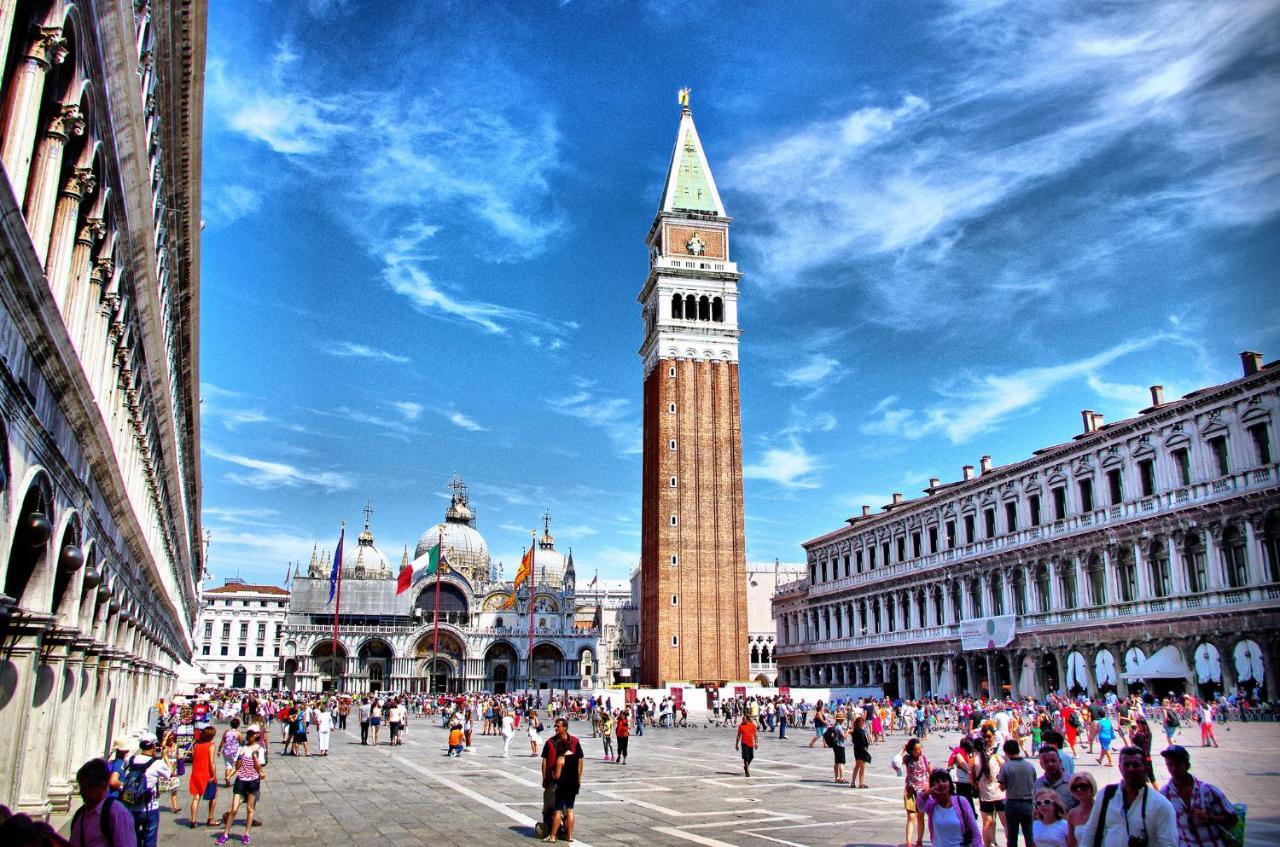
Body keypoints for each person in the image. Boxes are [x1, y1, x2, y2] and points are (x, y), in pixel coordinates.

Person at [1075, 746, 1177, 847]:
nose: (1131, 769)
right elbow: (1090, 832)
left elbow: (1168, 843)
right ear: (1120, 767)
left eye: (1136, 765)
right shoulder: (1106, 795)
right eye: (1126, 765)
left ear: (1146, 768)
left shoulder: (1161, 805)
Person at [1158, 745, 1238, 847]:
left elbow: (1233, 819)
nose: (1173, 769)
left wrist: (1209, 818)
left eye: (1178, 764)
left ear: (1186, 765)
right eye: (1169, 765)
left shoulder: (1208, 790)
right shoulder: (1164, 795)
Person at [71, 757, 138, 847]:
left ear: (102, 786)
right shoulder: (80, 815)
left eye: (87, 787)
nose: (81, 792)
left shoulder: (118, 814)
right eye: (81, 787)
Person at [216, 728, 266, 845]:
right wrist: (230, 774)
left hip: (253, 781)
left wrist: (254, 758)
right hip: (240, 781)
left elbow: (259, 769)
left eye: (251, 734)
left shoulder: (260, 749)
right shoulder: (242, 748)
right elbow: (238, 767)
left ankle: (246, 834)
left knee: (249, 809)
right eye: (248, 734)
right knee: (234, 809)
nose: (248, 736)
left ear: (256, 736)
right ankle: (225, 834)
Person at [121, 733, 170, 847]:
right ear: (153, 746)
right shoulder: (157, 763)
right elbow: (171, 773)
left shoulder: (131, 760)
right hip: (150, 807)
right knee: (150, 840)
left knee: (132, 839)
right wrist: (165, 756)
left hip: (131, 805)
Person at [540, 718, 584, 844]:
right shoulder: (550, 742)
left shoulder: (574, 742)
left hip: (561, 784)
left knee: (559, 809)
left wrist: (579, 776)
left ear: (565, 727)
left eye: (558, 726)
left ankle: (554, 835)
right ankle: (566, 834)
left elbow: (581, 761)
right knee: (565, 808)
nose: (556, 728)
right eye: (555, 726)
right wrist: (545, 778)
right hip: (570, 784)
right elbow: (544, 761)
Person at [916, 769, 982, 847]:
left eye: (944, 781)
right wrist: (927, 793)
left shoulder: (961, 801)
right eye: (937, 782)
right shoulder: (931, 805)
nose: (941, 784)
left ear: (950, 783)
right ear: (932, 786)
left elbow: (975, 831)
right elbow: (919, 806)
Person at [997, 738, 1034, 847]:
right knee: (1029, 835)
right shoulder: (1029, 766)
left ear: (1006, 752)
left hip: (1013, 804)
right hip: (1028, 803)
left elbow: (1002, 787)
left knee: (1012, 836)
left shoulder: (1006, 766)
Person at [974, 739, 1007, 847]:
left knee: (987, 823)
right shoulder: (997, 758)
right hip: (1000, 794)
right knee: (1006, 823)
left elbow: (972, 779)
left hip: (985, 796)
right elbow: (1005, 771)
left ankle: (988, 845)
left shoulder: (974, 760)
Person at [900, 737, 931, 847]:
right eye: (916, 749)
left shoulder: (925, 758)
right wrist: (902, 749)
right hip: (910, 791)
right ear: (911, 751)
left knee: (920, 816)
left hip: (923, 792)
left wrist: (929, 784)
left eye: (920, 748)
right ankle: (908, 842)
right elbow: (896, 762)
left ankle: (919, 841)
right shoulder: (907, 759)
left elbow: (931, 772)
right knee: (911, 816)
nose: (919, 751)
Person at [187, 726, 219, 828]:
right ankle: (210, 818)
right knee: (213, 796)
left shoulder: (196, 745)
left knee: (196, 797)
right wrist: (214, 775)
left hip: (196, 773)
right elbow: (211, 762)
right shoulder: (211, 745)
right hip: (206, 774)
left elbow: (194, 756)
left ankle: (193, 821)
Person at [1035, 747, 1077, 811]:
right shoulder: (1038, 784)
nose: (1050, 764)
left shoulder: (1073, 782)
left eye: (1053, 760)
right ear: (1041, 765)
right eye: (1046, 762)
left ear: (1060, 762)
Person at [1066, 773, 1097, 847]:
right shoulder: (1072, 814)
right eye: (1074, 787)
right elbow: (1071, 844)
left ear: (1092, 787)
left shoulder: (1103, 809)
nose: (1079, 790)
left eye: (1083, 786)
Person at [850, 714, 872, 789]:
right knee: (862, 767)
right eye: (863, 722)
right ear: (860, 723)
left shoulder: (855, 730)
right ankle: (861, 783)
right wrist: (865, 748)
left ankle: (853, 782)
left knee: (857, 766)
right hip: (861, 750)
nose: (864, 723)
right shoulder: (861, 731)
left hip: (856, 749)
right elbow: (863, 741)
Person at [220, 719, 242, 787]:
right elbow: (241, 742)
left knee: (228, 766)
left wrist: (218, 750)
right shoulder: (238, 733)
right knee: (237, 766)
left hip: (226, 751)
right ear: (238, 725)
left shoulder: (226, 732)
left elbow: (222, 742)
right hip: (234, 752)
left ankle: (227, 783)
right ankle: (228, 777)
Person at [735, 713, 758, 777]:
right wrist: (736, 744)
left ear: (747, 720)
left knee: (751, 757)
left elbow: (755, 735)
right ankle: (747, 772)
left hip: (751, 744)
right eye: (742, 719)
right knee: (746, 758)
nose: (742, 720)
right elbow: (738, 735)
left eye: (744, 719)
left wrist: (756, 743)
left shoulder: (752, 725)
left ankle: (746, 766)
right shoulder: (741, 726)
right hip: (744, 743)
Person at [828, 712, 849, 783]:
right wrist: (848, 731)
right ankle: (842, 778)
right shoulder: (839, 727)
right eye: (842, 719)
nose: (843, 721)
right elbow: (844, 737)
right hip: (840, 745)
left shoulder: (835, 726)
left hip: (835, 745)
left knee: (836, 762)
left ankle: (836, 777)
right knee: (841, 762)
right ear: (840, 720)